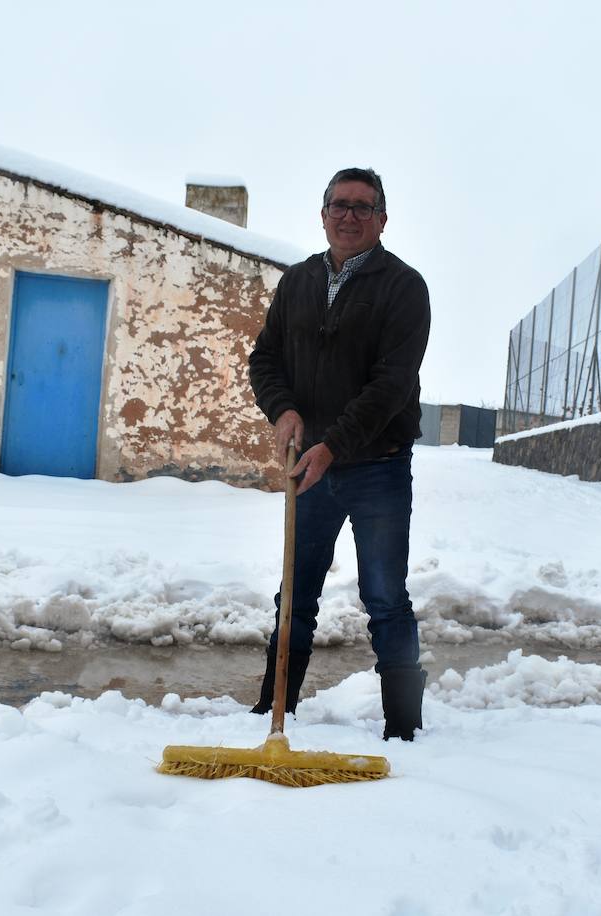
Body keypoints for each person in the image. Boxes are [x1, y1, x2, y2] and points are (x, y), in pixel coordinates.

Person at [247, 167, 431, 740]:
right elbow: (265, 360)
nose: (349, 215)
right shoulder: (297, 281)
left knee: (384, 597)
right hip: (311, 465)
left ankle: (404, 728)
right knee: (295, 592)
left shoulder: (403, 286)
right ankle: (273, 712)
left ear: (382, 218)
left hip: (377, 465)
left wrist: (335, 444)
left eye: (362, 206)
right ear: (322, 213)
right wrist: (283, 410)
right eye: (339, 205)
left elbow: (391, 383)